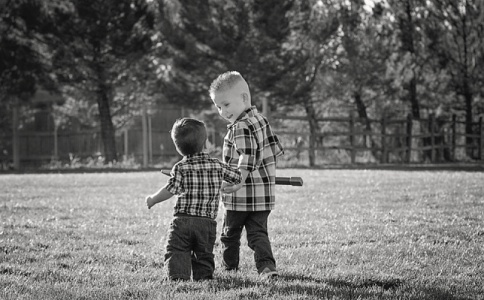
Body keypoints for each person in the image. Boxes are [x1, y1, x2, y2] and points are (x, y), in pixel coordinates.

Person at [145, 118, 242, 281]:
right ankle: (204, 278)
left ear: (178, 147)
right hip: (206, 222)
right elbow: (237, 176)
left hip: (182, 220)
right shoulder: (217, 165)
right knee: (204, 253)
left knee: (177, 250)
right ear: (206, 143)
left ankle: (177, 277)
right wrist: (222, 182)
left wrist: (153, 199)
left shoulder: (180, 167)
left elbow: (170, 190)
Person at [209, 71, 284, 278]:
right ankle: (267, 268)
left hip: (239, 197)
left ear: (243, 98)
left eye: (226, 105)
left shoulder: (239, 126)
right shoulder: (261, 120)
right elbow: (275, 151)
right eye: (218, 107)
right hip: (263, 196)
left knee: (229, 235)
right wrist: (264, 174)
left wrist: (239, 180)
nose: (222, 112)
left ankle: (229, 268)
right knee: (258, 234)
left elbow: (247, 156)